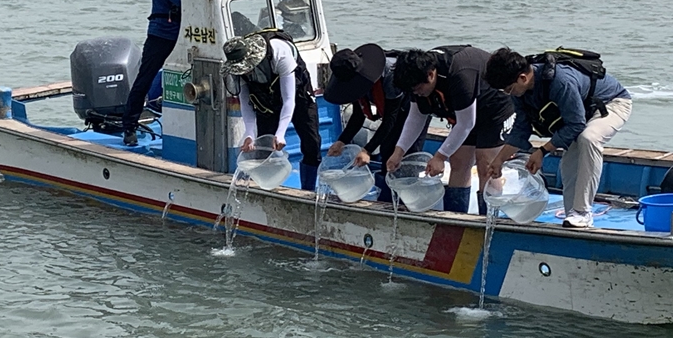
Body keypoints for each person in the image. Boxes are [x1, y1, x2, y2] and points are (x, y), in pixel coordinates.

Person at [483, 47, 632, 228]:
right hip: (582, 113)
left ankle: (583, 212)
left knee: (588, 139)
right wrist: (498, 160)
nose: (508, 94)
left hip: (611, 103)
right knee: (569, 164)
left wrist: (542, 151)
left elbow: (576, 124)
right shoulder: (520, 92)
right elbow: (520, 130)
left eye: (509, 89)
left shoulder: (560, 82)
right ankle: (572, 216)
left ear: (522, 78)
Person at [386, 46, 514, 214]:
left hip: (494, 106)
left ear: (431, 75)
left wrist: (439, 157)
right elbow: (416, 117)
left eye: (418, 89)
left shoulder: (459, 74)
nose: (416, 93)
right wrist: (398, 152)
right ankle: (456, 215)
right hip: (464, 108)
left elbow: (466, 124)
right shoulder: (416, 75)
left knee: (486, 165)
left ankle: (489, 220)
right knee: (459, 161)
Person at [122, 0, 208, 146]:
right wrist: (193, 5)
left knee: (202, 78)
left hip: (190, 33)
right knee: (145, 78)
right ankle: (129, 126)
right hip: (162, 32)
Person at [220, 31, 322, 192]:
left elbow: (289, 100)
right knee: (262, 149)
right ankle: (266, 188)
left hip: (298, 95)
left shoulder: (279, 53)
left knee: (312, 143)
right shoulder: (238, 72)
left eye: (246, 68)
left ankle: (308, 190)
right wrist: (249, 133)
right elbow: (246, 102)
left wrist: (280, 133)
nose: (244, 72)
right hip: (266, 101)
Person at [323, 43, 426, 201]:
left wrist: (367, 151)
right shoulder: (355, 83)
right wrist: (341, 141)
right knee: (386, 152)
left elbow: (391, 119)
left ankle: (407, 203)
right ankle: (387, 201)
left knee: (404, 156)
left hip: (412, 109)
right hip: (393, 114)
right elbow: (359, 115)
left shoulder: (390, 76)